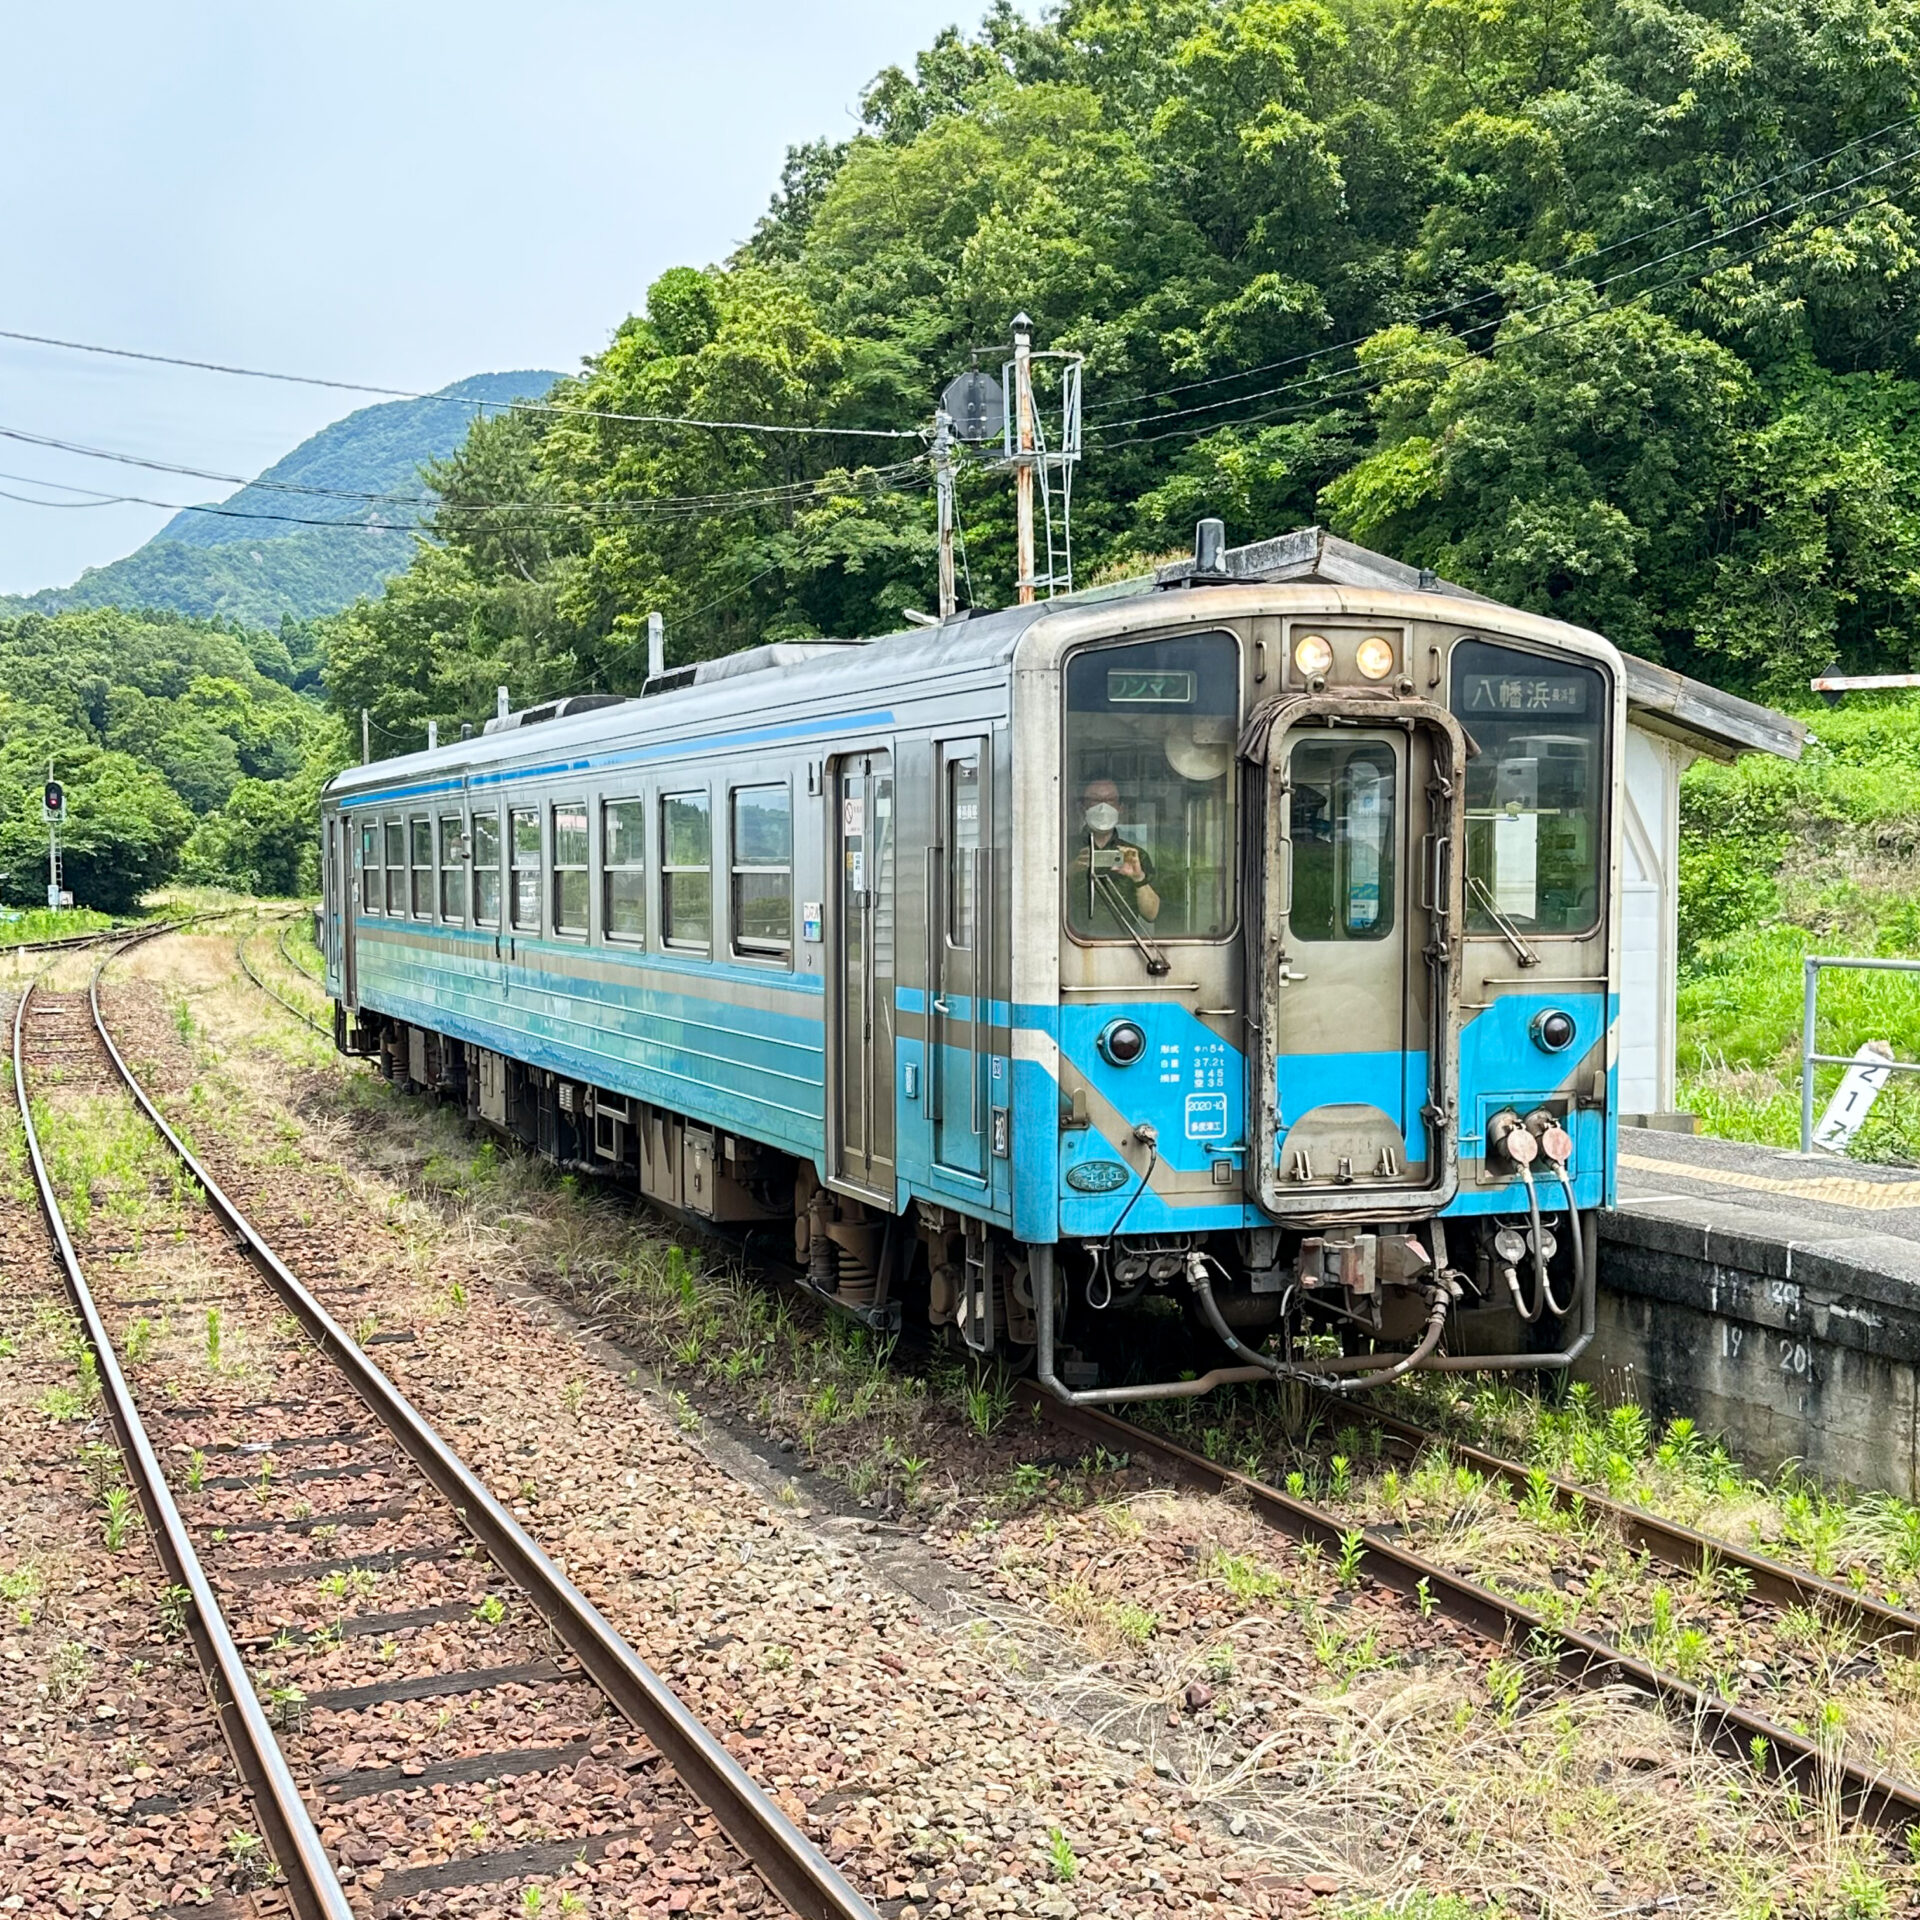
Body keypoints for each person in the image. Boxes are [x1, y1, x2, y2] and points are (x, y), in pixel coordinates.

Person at [1071, 777, 1161, 932]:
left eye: (1110, 800)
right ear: (1082, 807)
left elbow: (1151, 914)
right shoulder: (1063, 850)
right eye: (1094, 800)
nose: (1102, 807)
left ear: (1121, 808)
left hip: (1122, 948)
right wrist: (1069, 871)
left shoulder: (1135, 856)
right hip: (1072, 944)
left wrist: (1138, 877)